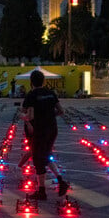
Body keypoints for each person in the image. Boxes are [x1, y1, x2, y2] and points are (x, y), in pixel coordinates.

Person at [22, 69, 69, 200]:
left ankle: (41, 191)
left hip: (39, 130)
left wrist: (23, 116)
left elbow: (29, 115)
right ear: (43, 81)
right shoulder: (51, 93)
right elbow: (61, 111)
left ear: (31, 82)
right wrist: (49, 115)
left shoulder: (31, 95)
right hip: (52, 129)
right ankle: (60, 181)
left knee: (38, 160)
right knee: (47, 155)